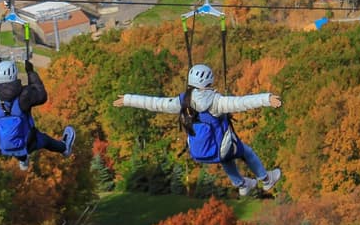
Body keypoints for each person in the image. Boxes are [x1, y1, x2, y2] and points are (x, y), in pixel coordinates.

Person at [113, 63, 282, 197]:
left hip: (199, 152)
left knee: (226, 157)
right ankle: (266, 179)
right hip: (220, 148)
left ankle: (242, 185)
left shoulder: (183, 102)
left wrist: (128, 99)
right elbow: (243, 102)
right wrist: (267, 99)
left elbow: (155, 103)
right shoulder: (217, 102)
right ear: (209, 82)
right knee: (245, 152)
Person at [0, 58, 76, 171]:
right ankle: (64, 148)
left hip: (4, 144)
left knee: (14, 141)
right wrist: (30, 72)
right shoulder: (24, 95)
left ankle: (23, 160)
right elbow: (41, 95)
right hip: (28, 142)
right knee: (45, 140)